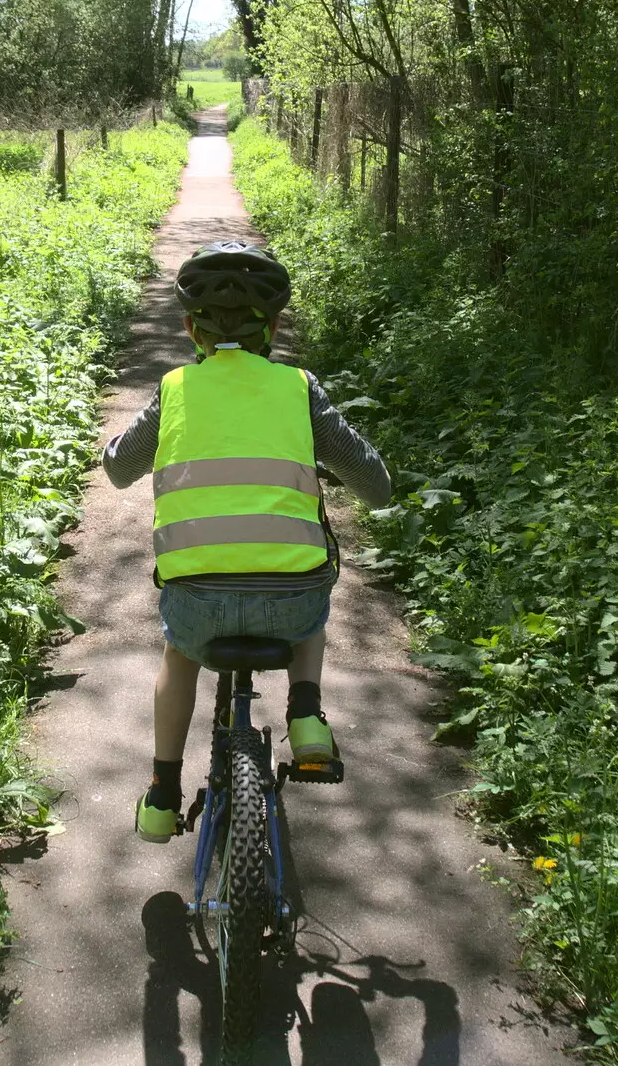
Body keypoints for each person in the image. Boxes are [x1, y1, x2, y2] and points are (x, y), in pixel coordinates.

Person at [102, 241, 392, 842]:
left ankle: (161, 793)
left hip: (198, 604)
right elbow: (376, 485)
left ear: (190, 328)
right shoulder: (299, 388)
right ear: (275, 327)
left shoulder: (176, 389)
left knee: (178, 655)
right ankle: (307, 713)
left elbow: (117, 468)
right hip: (290, 606)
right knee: (316, 573)